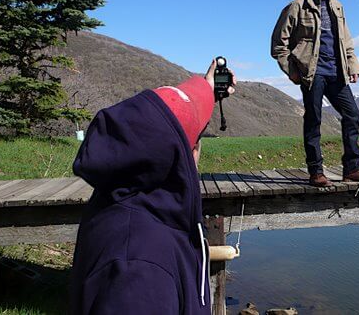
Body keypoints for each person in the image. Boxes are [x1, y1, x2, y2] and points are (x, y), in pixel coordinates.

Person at [70, 60, 235, 314]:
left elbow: (165, 122)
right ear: (184, 154)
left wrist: (206, 89)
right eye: (197, 137)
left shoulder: (121, 190)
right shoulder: (137, 270)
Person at [271, 0, 359, 187]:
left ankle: (352, 168)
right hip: (312, 74)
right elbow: (279, 44)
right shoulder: (297, 6)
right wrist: (292, 72)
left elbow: (346, 41)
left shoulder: (337, 6)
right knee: (314, 120)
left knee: (352, 115)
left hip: (336, 73)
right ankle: (316, 172)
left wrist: (353, 67)